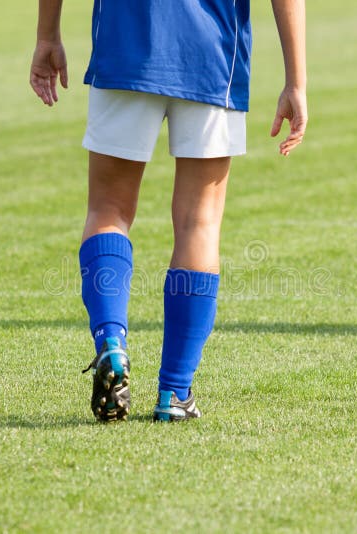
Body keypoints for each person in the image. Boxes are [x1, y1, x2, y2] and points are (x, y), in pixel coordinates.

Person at [30, 0, 307, 423]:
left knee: (109, 208)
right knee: (200, 221)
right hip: (213, 53)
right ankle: (175, 393)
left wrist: (47, 34)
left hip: (125, 45)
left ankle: (112, 342)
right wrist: (296, 81)